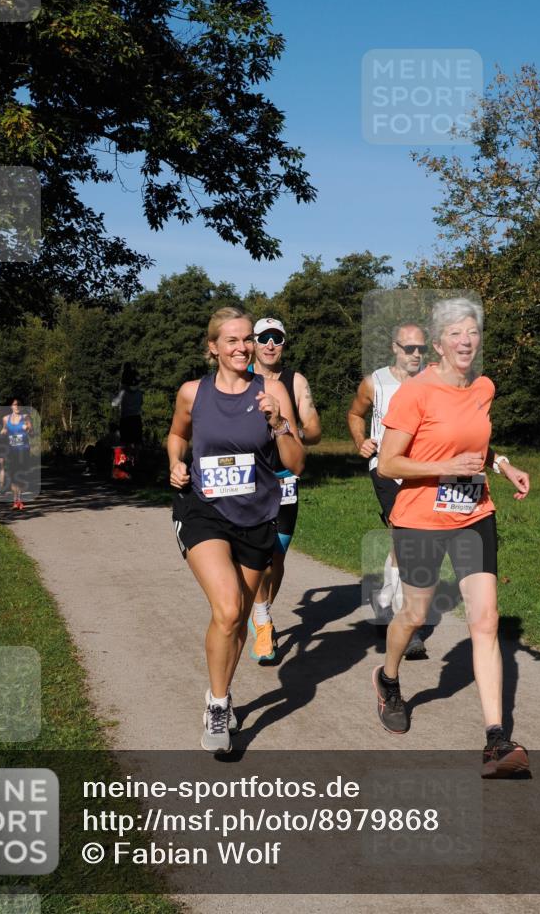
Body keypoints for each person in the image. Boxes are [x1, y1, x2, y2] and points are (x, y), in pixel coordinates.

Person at [372, 297, 531, 778]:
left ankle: (496, 742)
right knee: (416, 612)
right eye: (456, 334)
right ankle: (389, 678)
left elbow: (474, 442)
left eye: (473, 332)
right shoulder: (415, 393)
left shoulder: (483, 387)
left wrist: (502, 465)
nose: (466, 341)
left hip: (474, 514)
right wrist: (444, 467)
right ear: (438, 344)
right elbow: (388, 463)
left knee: (485, 623)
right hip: (420, 517)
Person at [167, 308, 304, 753]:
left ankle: (218, 691)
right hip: (203, 510)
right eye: (232, 341)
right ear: (213, 348)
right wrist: (175, 462)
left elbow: (296, 463)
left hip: (256, 515)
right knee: (227, 609)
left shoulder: (272, 389)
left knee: (239, 618)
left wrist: (278, 423)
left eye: (248, 339)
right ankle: (219, 705)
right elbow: (177, 435)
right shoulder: (192, 393)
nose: (244, 347)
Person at [347, 322, 428, 658]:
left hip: (422, 469)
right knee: (404, 536)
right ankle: (404, 624)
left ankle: (384, 598)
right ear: (395, 348)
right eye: (409, 348)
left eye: (422, 349)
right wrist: (360, 441)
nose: (416, 354)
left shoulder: (435, 382)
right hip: (385, 468)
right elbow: (355, 414)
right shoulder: (375, 382)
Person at [247, 317, 322, 662]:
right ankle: (262, 620)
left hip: (286, 477)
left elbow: (314, 429)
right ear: (254, 342)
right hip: (251, 477)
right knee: (258, 558)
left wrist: (291, 434)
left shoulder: (295, 381)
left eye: (277, 338)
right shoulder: (239, 378)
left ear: (284, 344)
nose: (270, 344)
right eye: (264, 338)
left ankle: (260, 608)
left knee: (277, 556)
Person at [0, 399, 33, 511]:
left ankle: (20, 499)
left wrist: (28, 429)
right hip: (11, 452)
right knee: (13, 476)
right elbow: (4, 430)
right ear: (11, 406)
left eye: (19, 404)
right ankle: (15, 501)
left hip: (23, 450)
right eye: (15, 404)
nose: (17, 406)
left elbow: (31, 431)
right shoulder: (5, 418)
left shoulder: (25, 417)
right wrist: (2, 432)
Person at [112, 365, 143, 479]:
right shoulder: (139, 392)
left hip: (126, 419)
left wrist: (112, 396)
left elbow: (114, 403)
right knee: (137, 443)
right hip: (136, 418)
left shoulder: (123, 392)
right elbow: (140, 403)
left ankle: (128, 464)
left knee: (126, 443)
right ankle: (137, 462)